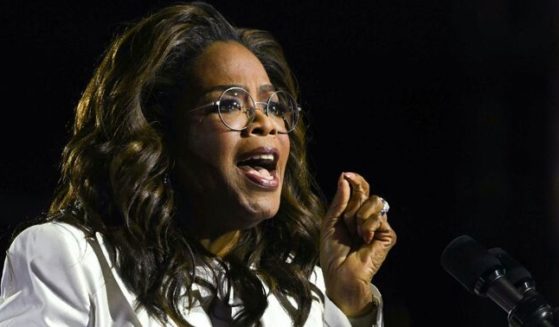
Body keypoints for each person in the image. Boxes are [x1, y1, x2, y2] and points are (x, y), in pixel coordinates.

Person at [0, 2, 397, 326]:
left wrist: (348, 305)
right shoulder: (66, 257)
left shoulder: (296, 286)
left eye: (273, 105)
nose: (266, 123)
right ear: (158, 134)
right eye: (229, 104)